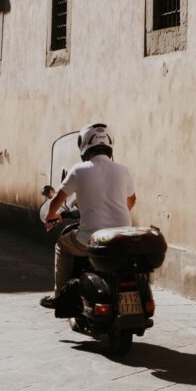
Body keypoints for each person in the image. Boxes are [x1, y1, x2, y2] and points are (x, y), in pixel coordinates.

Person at [40, 122, 136, 309]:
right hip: (122, 237)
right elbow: (131, 201)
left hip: (91, 240)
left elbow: (58, 199)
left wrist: (50, 216)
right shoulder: (123, 170)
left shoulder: (79, 170)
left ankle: (60, 294)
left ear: (83, 145)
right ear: (109, 144)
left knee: (62, 245)